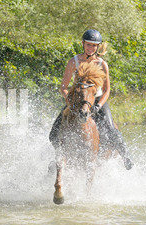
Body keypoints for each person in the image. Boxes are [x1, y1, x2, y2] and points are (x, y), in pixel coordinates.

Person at [49, 29, 134, 170]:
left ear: (98, 47)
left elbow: (106, 90)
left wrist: (98, 105)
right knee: (53, 133)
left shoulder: (102, 64)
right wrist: (69, 100)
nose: (91, 48)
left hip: (96, 100)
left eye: (94, 46)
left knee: (111, 127)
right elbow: (63, 86)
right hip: (76, 101)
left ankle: (126, 155)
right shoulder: (73, 62)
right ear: (83, 44)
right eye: (88, 45)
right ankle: (59, 158)